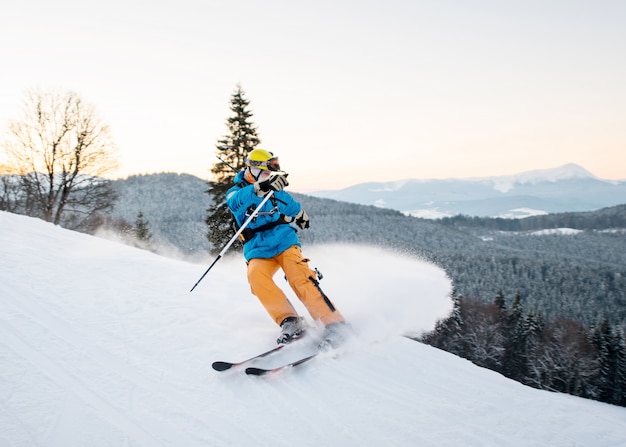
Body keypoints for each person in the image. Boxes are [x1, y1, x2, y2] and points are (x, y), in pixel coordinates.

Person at [225, 148, 347, 350]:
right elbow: (235, 203)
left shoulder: (274, 189)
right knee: (256, 277)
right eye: (265, 172)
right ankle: (290, 321)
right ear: (254, 169)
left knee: (298, 274)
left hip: (283, 240)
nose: (269, 177)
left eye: (270, 174)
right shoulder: (236, 192)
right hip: (257, 247)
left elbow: (289, 204)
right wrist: (259, 188)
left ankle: (334, 323)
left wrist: (300, 215)